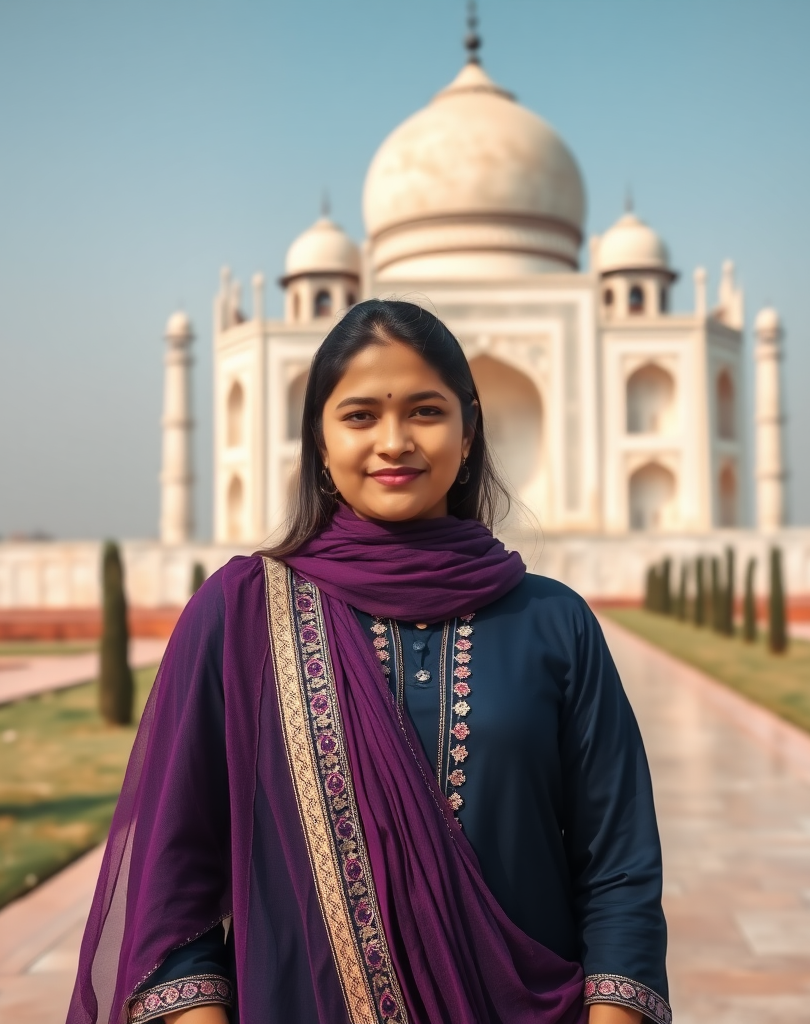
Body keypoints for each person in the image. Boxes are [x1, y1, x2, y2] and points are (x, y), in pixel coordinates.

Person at [67, 300, 670, 1024]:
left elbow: (620, 870)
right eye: (359, 416)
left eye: (425, 411)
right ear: (318, 440)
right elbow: (172, 888)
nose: (394, 442)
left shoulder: (553, 622)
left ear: (469, 429)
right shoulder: (240, 615)